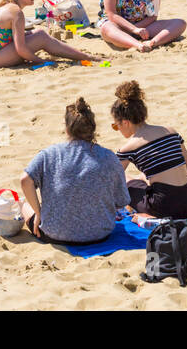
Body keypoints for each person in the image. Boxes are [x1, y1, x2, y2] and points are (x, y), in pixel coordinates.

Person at [18, 96, 129, 246]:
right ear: (93, 128)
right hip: (100, 234)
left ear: (67, 128)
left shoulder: (50, 154)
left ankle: (36, 213)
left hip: (55, 233)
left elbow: (25, 180)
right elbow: (121, 201)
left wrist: (38, 213)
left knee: (23, 203)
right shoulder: (109, 157)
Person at [110, 81, 187, 219]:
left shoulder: (129, 147)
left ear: (125, 122)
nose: (117, 130)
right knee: (143, 178)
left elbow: (111, 180)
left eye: (115, 126)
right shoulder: (170, 132)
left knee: (127, 181)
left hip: (165, 206)